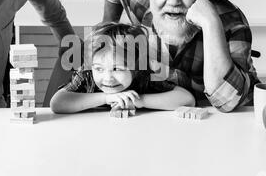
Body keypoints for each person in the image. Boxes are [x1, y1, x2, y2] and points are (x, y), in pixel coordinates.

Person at [103, 0, 260, 112]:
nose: (173, 1)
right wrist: (107, 30)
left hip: (224, 117)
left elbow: (227, 102)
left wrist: (211, 24)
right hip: (163, 112)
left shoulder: (232, 22)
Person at [50, 23, 195, 114]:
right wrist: (106, 98)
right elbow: (57, 103)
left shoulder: (144, 75)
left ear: (136, 68)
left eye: (117, 69)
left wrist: (140, 101)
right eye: (99, 69)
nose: (107, 78)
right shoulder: (86, 75)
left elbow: (187, 99)